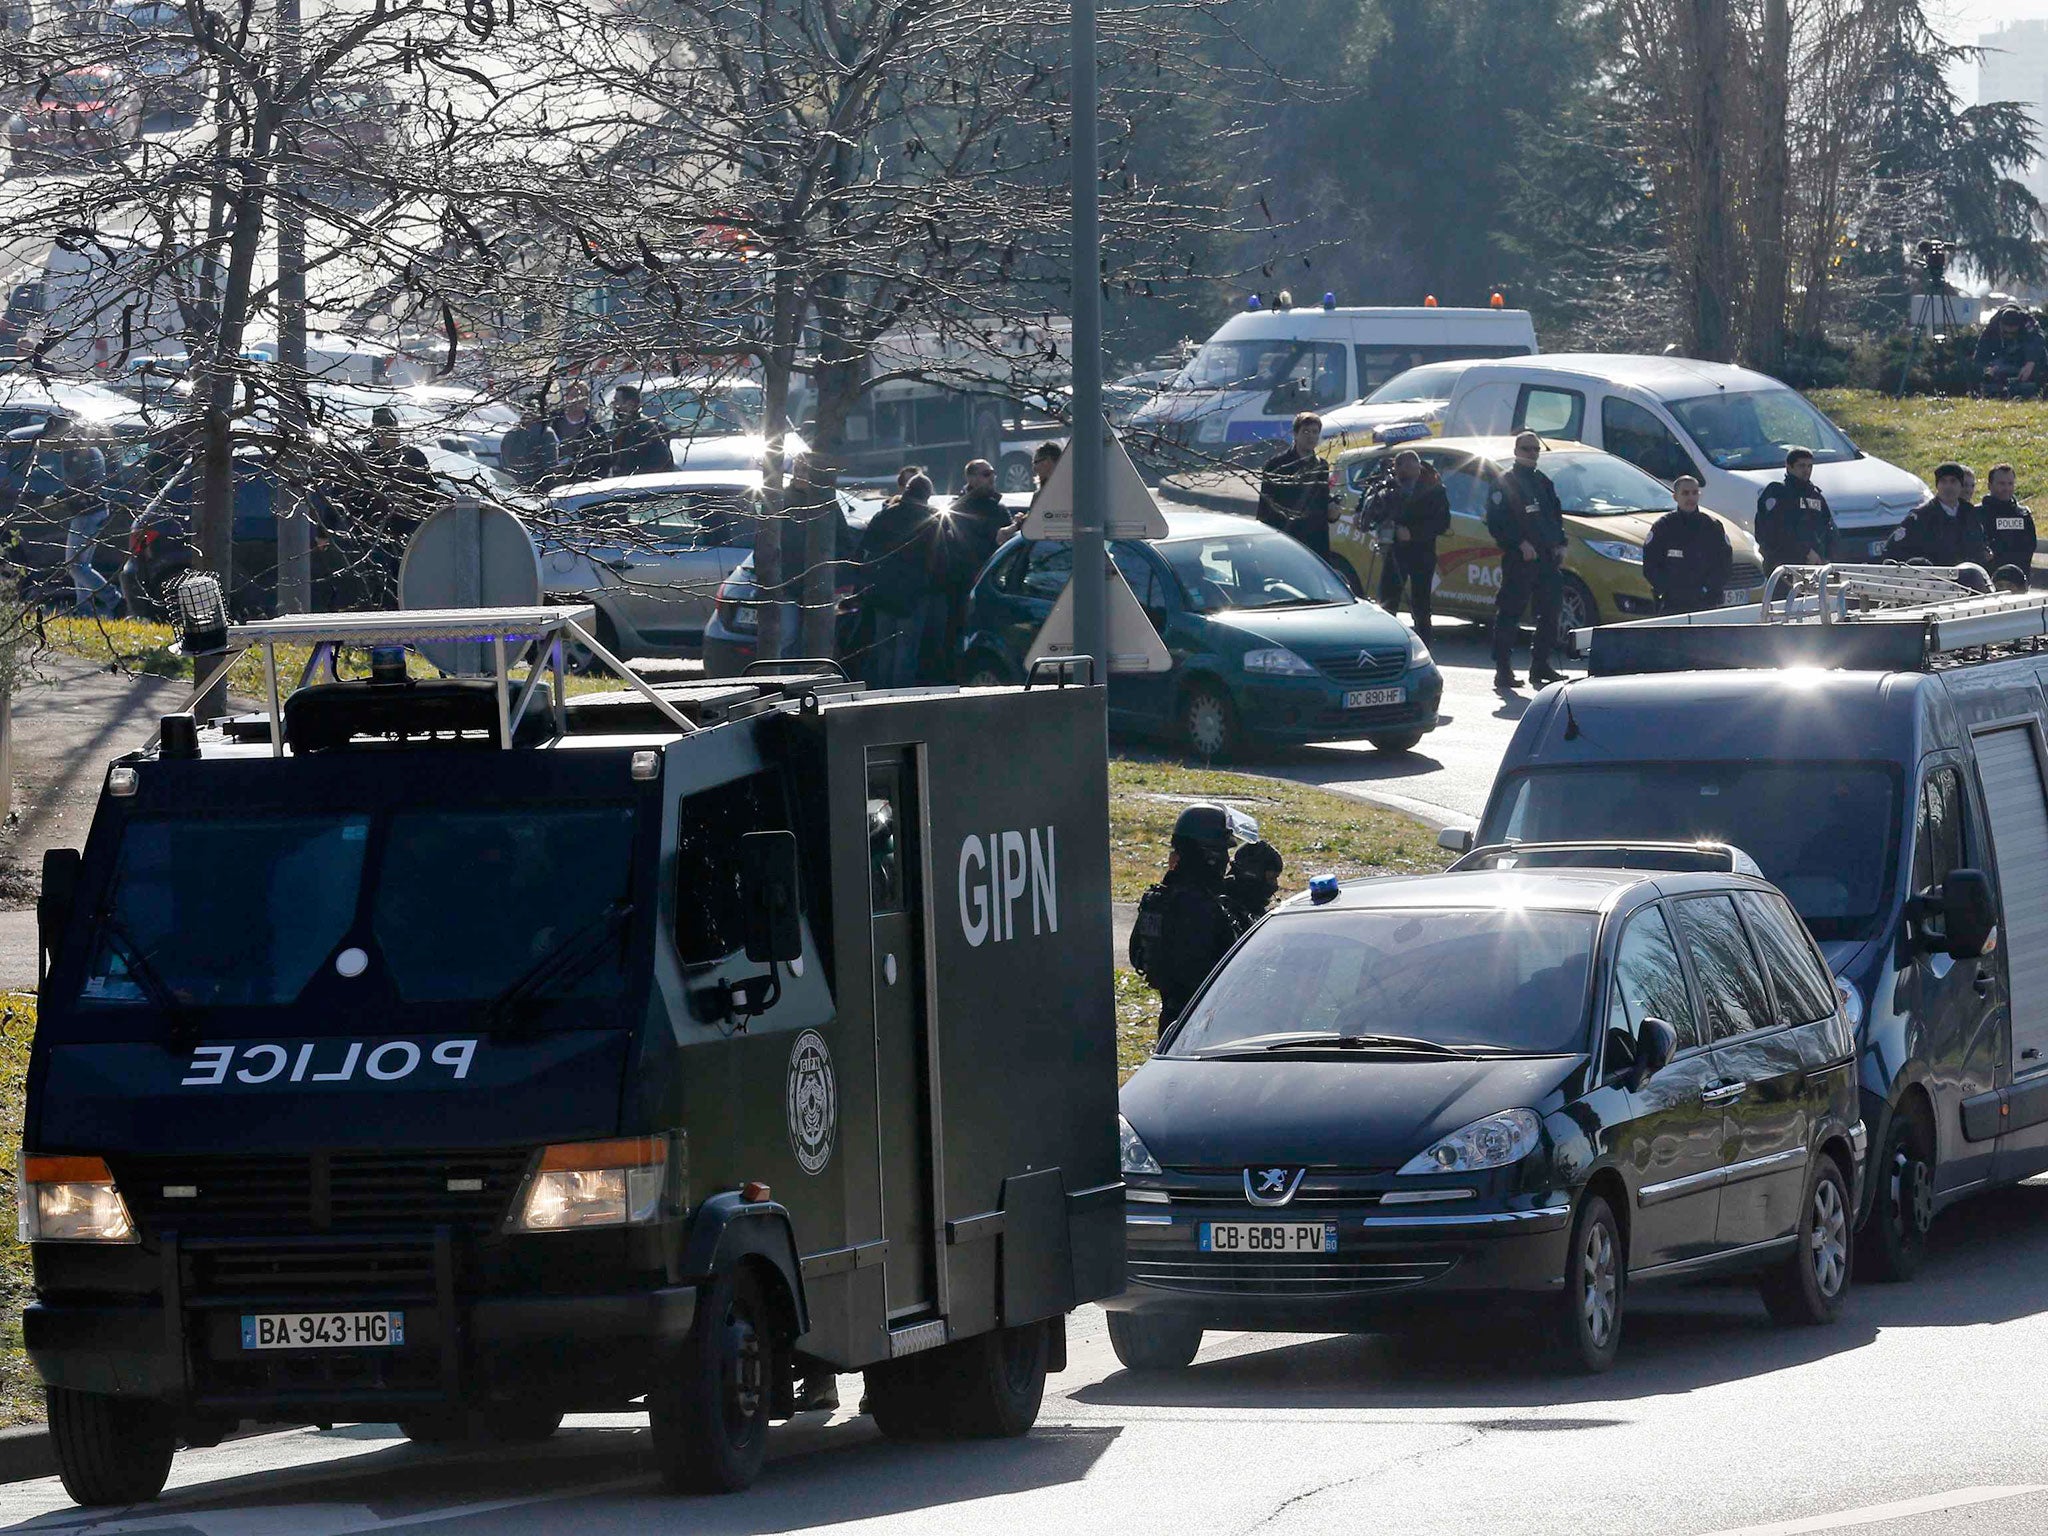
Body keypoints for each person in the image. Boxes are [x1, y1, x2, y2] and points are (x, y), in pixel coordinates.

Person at [1129, 804, 1242, 1037]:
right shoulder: (1202, 908)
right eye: (1223, 852)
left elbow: (1136, 955)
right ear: (1210, 856)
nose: (1227, 860)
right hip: (1204, 1025)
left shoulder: (1160, 899)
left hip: (1171, 1019)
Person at [1485, 431, 1568, 691]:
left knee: (1551, 612)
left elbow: (1554, 516)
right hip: (1520, 559)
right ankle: (1503, 669)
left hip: (1546, 559)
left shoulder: (1543, 481)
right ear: (1516, 450)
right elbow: (1496, 522)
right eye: (1526, 448)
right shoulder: (1505, 482)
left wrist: (1561, 543)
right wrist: (1518, 543)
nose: (1532, 453)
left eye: (1535, 449)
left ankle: (1540, 664)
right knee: (1510, 612)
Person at [855, 473, 946, 688]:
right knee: (906, 651)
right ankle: (898, 698)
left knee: (884, 649)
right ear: (927, 496)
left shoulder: (884, 516)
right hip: (913, 595)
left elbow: (864, 552)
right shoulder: (930, 523)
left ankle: (880, 694)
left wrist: (869, 582)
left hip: (883, 592)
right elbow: (940, 562)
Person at [1364, 450, 1450, 642]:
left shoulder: (1434, 488)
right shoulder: (1389, 486)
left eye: (1413, 468)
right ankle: (1385, 643)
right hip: (1395, 551)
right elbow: (1374, 510)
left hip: (1422, 552)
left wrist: (1413, 533)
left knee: (1421, 605)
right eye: (1404, 469)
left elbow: (1442, 523)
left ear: (1419, 467)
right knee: (1387, 602)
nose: (1410, 472)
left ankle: (1424, 646)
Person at [1643, 476, 1733, 615]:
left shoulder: (1712, 526)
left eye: (1694, 492)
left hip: (1706, 603)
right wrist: (1669, 590)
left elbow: (1724, 564)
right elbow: (1651, 565)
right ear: (1675, 497)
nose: (1690, 497)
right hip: (1672, 605)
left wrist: (1708, 589)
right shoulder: (1664, 527)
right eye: (1685, 493)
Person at [1257, 412, 1340, 561]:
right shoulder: (1277, 465)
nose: (1311, 436)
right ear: (1295, 434)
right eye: (1306, 431)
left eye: (1315, 432)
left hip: (1315, 543)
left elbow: (1322, 500)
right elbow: (1265, 508)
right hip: (1286, 541)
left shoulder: (1321, 466)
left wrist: (1333, 511)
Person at [1886, 462, 1988, 568]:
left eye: (1953, 481)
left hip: (1968, 577)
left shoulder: (1970, 513)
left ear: (1960, 485)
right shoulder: (1921, 516)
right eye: (1943, 482)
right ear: (1937, 486)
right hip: (1934, 579)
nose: (1948, 487)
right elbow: (1893, 550)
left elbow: (1979, 545)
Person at [1753, 447, 1833, 573]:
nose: (1806, 470)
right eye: (1801, 466)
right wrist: (1805, 552)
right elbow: (1775, 531)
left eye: (1809, 466)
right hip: (1783, 567)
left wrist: (1826, 556)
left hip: (1814, 566)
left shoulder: (1815, 496)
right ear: (1789, 467)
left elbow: (1828, 528)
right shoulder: (1777, 493)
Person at [1975, 305, 2048, 397]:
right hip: (2003, 357)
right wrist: (1987, 368)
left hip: (2025, 356)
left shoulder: (2027, 322)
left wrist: (2031, 362)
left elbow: (2038, 340)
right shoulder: (1992, 327)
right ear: (2000, 325)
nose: (2009, 336)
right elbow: (1981, 350)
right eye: (2006, 333)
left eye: (2013, 333)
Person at [1980, 462, 2036, 582]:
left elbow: (2029, 547)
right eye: (2001, 484)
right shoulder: (1978, 514)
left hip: (2019, 582)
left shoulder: (2023, 514)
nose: (2006, 488)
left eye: (2010, 484)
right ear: (1989, 485)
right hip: (1989, 581)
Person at [607, 384, 672, 477]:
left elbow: (662, 457)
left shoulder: (645, 427)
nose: (613, 404)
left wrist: (638, 474)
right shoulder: (618, 426)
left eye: (617, 400)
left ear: (630, 404)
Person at [549, 381, 609, 480]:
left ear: (586, 400)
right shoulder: (552, 421)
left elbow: (604, 459)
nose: (577, 399)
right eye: (574, 395)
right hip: (552, 480)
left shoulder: (595, 429)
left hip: (581, 482)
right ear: (566, 397)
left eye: (582, 396)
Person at [1221, 840, 1284, 931]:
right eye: (1271, 878)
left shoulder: (1255, 909)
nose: (1275, 884)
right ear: (1253, 875)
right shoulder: (1225, 908)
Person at [498, 397, 559, 488]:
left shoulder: (510, 433)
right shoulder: (546, 434)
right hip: (535, 489)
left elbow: (504, 463)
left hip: (509, 487)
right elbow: (550, 466)